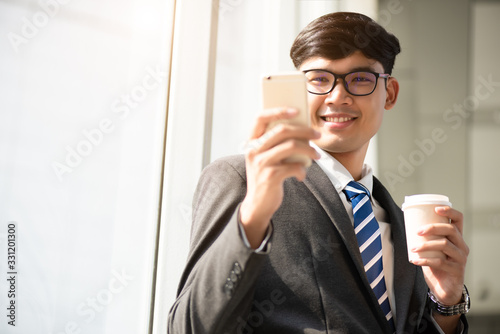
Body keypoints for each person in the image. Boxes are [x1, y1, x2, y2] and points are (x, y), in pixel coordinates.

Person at [167, 12, 469, 334]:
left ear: (390, 93)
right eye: (320, 79)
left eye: (361, 79)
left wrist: (446, 302)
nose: (338, 96)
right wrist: (253, 216)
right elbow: (189, 327)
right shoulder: (242, 179)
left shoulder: (403, 224)